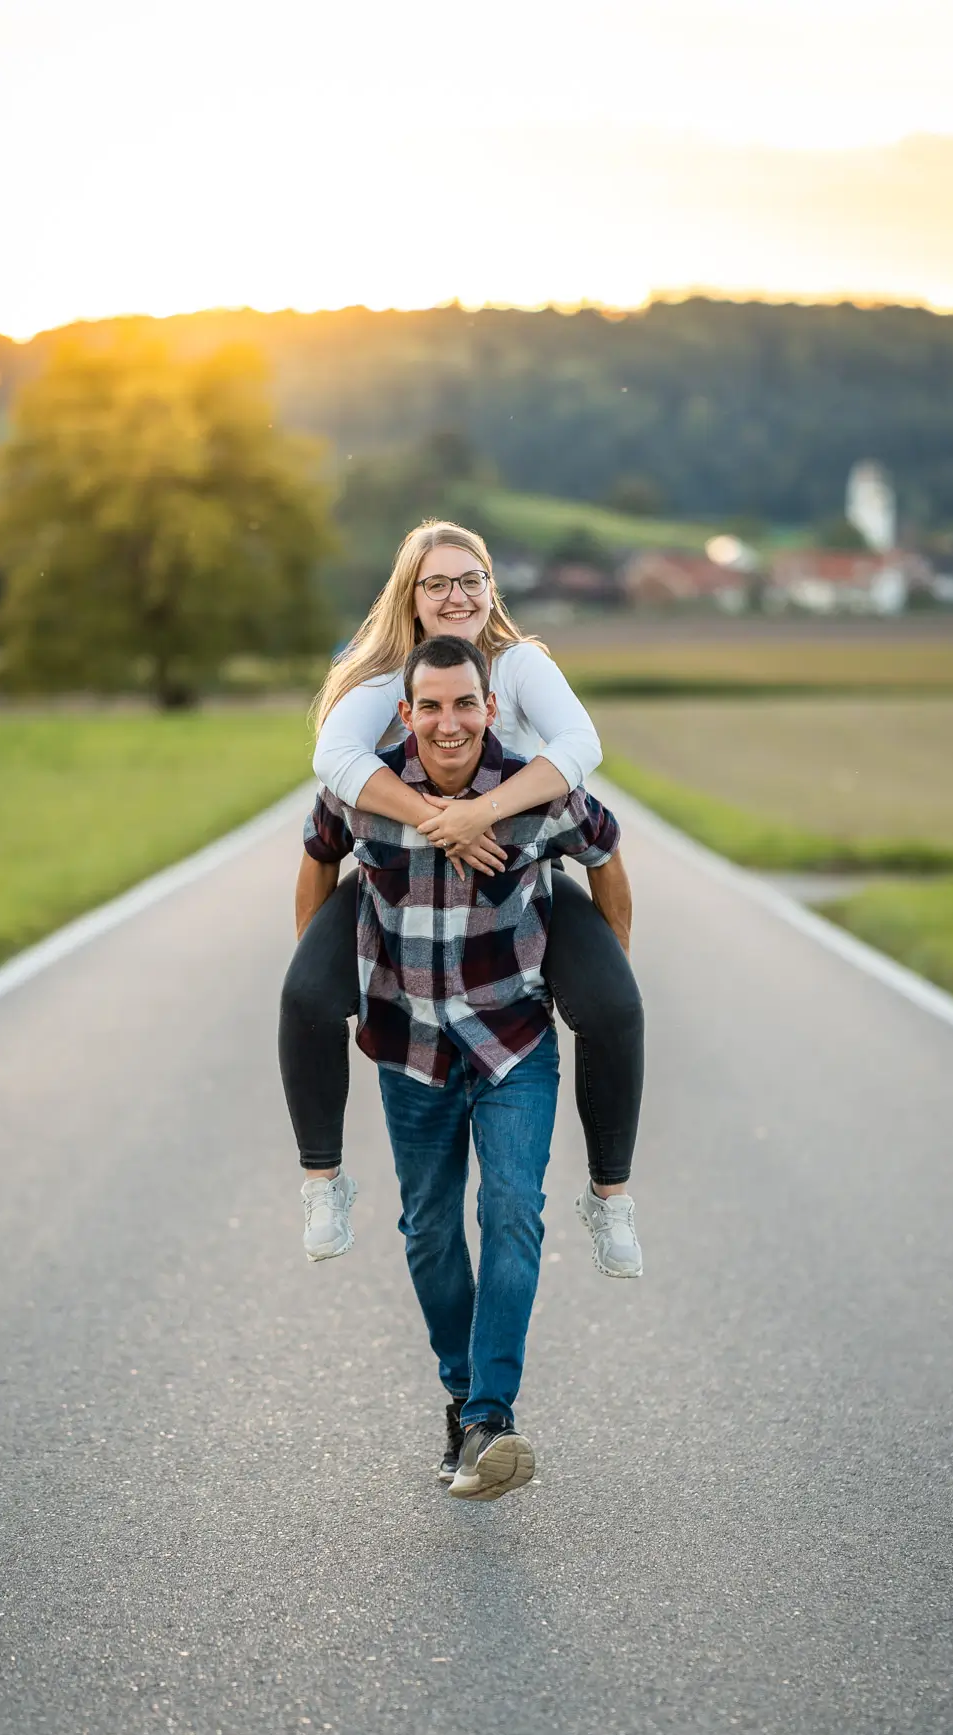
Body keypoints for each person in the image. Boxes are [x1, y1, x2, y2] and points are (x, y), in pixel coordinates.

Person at [296, 635, 630, 1497]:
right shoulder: (367, 793)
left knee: (513, 1210)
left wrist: (607, 970)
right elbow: (318, 854)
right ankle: (461, 1392)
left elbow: (605, 851)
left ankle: (489, 1417)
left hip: (511, 1039)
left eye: (467, 704)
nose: (450, 724)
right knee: (431, 1229)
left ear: (490, 707)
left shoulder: (537, 793)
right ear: (406, 713)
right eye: (432, 707)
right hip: (407, 1046)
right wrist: (318, 967)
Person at [279, 520, 645, 1280]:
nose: (457, 595)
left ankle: (610, 1195)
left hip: (519, 867)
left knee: (614, 1005)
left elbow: (580, 747)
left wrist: (485, 813)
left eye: (471, 579)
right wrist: (442, 823)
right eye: (438, 582)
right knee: (307, 993)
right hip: (399, 871)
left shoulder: (520, 665)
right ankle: (324, 1182)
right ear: (410, 595)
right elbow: (333, 758)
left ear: (491, 588)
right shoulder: (384, 674)